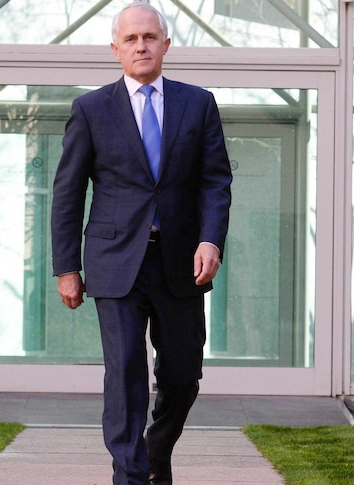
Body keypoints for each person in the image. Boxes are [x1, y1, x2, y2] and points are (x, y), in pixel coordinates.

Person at [51, 2, 232, 484]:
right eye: (130, 39)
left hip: (181, 263)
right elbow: (68, 192)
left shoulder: (199, 104)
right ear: (116, 49)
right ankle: (129, 476)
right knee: (127, 372)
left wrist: (211, 239)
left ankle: (156, 451)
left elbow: (215, 182)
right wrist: (66, 267)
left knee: (181, 373)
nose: (141, 46)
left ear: (166, 44)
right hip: (115, 263)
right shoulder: (91, 109)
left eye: (150, 37)